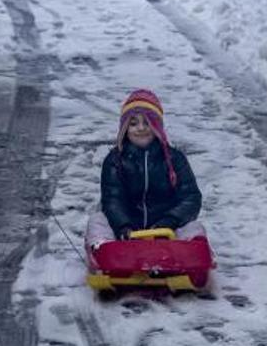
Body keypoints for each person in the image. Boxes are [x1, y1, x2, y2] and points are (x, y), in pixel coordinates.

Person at [85, 89, 204, 250]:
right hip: (127, 232)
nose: (141, 128)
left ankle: (193, 256)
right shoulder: (115, 161)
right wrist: (123, 226)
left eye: (147, 122)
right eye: (133, 123)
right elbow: (112, 199)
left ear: (157, 126)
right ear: (125, 128)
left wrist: (170, 221)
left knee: (194, 227)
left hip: (167, 229)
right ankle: (105, 252)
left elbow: (191, 197)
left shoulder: (174, 159)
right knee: (97, 221)